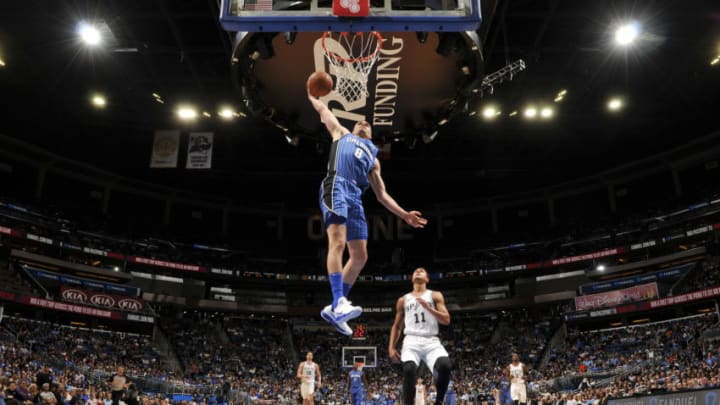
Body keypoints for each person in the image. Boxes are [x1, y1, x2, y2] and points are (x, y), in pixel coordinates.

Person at [308, 91, 428, 336]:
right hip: (336, 185)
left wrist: (404, 215)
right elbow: (323, 111)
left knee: (360, 256)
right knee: (338, 242)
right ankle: (338, 300)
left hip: (355, 198)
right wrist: (312, 95)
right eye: (359, 122)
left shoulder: (374, 158)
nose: (363, 122)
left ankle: (335, 308)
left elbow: (382, 195)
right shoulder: (341, 134)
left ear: (371, 134)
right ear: (353, 129)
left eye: (367, 123)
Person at [388, 267, 452, 405]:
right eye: (415, 271)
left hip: (431, 340)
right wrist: (391, 347)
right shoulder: (403, 299)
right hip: (411, 340)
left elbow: (446, 320)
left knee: (445, 366)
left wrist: (429, 308)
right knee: (409, 369)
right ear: (412, 278)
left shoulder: (435, 295)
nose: (418, 271)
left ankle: (439, 401)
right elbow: (397, 326)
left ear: (427, 279)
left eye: (422, 271)